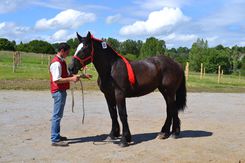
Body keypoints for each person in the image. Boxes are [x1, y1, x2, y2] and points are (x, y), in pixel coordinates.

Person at [49, 43, 91, 147]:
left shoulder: (61, 61)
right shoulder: (56, 63)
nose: (68, 54)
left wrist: (82, 76)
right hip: (58, 91)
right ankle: (55, 139)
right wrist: (72, 79)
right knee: (57, 116)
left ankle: (57, 136)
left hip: (61, 91)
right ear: (62, 51)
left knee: (58, 115)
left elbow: (67, 75)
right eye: (67, 52)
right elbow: (57, 80)